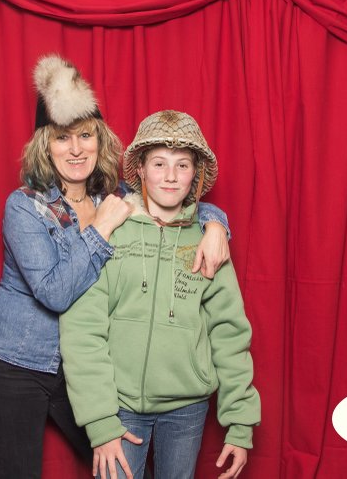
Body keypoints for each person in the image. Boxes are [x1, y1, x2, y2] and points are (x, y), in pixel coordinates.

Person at [0, 57, 233, 479]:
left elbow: (170, 198)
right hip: (15, 362)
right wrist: (102, 228)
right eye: (63, 138)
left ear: (100, 139)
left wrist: (216, 224)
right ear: (45, 145)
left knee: (121, 462)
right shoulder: (24, 206)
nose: (76, 149)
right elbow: (56, 293)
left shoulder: (111, 196)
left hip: (77, 364)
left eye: (85, 135)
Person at [60, 110, 260, 479]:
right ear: (140, 170)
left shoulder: (209, 242)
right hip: (118, 404)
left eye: (182, 165)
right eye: (159, 164)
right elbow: (82, 328)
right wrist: (100, 420)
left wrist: (240, 422)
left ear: (194, 174)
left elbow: (230, 334)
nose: (170, 176)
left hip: (187, 408)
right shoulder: (110, 231)